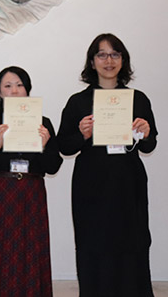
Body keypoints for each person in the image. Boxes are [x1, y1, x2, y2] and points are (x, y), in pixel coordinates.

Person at [57, 33, 158, 296]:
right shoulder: (78, 101)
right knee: (93, 244)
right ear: (92, 62)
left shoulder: (138, 99)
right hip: (91, 185)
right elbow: (64, 146)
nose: (108, 60)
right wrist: (81, 134)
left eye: (115, 54)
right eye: (102, 54)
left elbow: (149, 145)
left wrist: (146, 132)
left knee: (132, 242)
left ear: (123, 60)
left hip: (128, 183)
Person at [0, 66, 62, 297]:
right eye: (7, 86)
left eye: (19, 85)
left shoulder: (43, 122)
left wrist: (45, 145)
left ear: (28, 90)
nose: (14, 91)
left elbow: (53, 165)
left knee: (28, 250)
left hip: (30, 194)